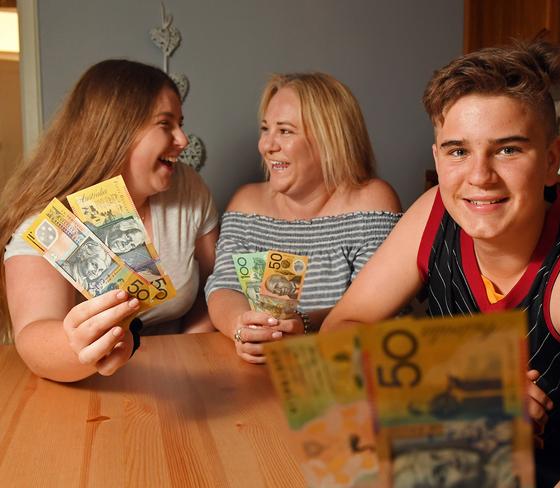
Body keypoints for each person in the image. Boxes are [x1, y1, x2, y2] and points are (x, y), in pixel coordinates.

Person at [322, 41, 560, 487]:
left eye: (508, 150)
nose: (479, 176)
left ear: (551, 161)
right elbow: (342, 326)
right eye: (458, 151)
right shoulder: (433, 211)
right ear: (437, 159)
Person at [0, 59, 219, 382]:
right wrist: (83, 348)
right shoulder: (46, 222)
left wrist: (187, 354)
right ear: (116, 131)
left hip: (180, 383)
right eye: (165, 124)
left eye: (181, 123)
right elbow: (34, 335)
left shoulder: (187, 188)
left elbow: (210, 289)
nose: (183, 140)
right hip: (86, 388)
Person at [205, 72, 402, 364]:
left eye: (285, 131)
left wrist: (304, 326)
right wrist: (240, 326)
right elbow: (223, 287)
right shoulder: (245, 203)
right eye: (265, 129)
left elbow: (375, 309)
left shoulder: (372, 202)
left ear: (330, 138)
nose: (266, 145)